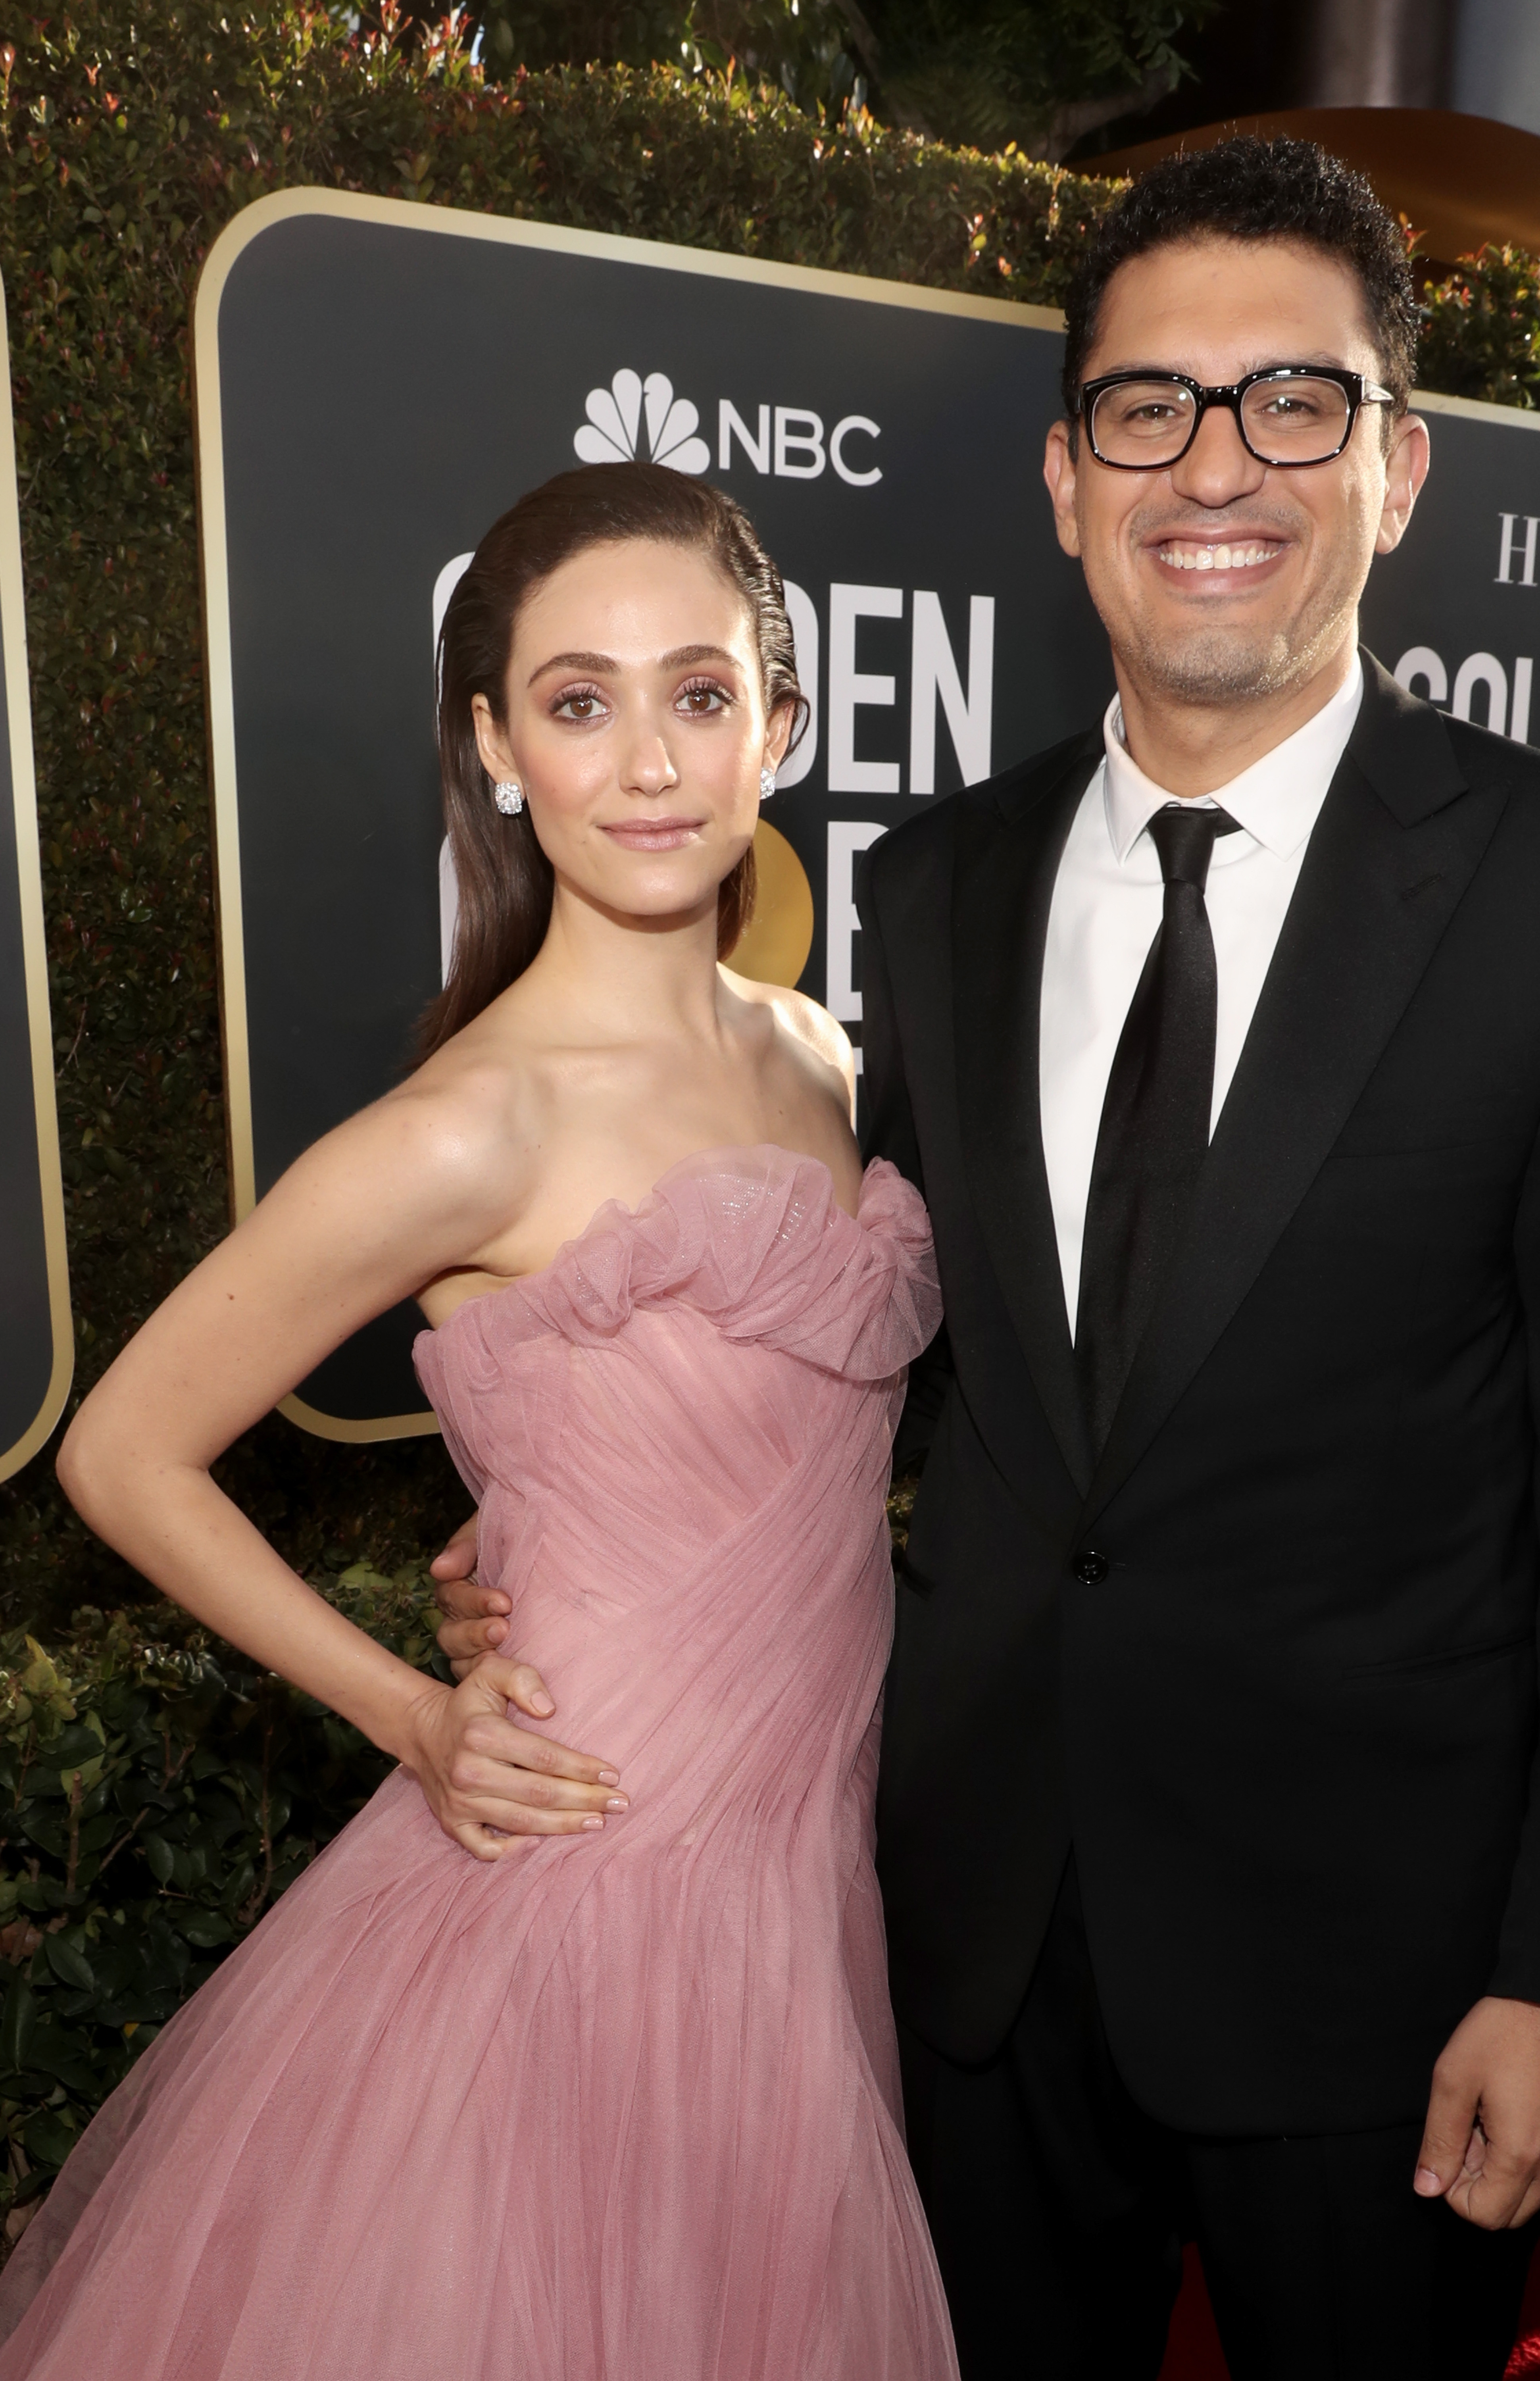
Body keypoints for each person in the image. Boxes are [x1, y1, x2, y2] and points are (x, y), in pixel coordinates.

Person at [435, 140, 1540, 2379]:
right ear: (1063, 477)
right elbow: (898, 1351)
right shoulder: (932, 884)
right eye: (1150, 407)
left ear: (1398, 468)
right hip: (976, 1953)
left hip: (1386, 1988)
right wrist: (561, 1537)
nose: (1214, 466)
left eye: (1291, 403)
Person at [2, 464, 956, 2380]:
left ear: (782, 719)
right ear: (498, 746)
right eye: (579, 701)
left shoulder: (826, 1057)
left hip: (808, 1863)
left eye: (697, 693)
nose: (650, 760)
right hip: (587, 1881)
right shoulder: (471, 1125)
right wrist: (412, 1710)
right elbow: (121, 1450)